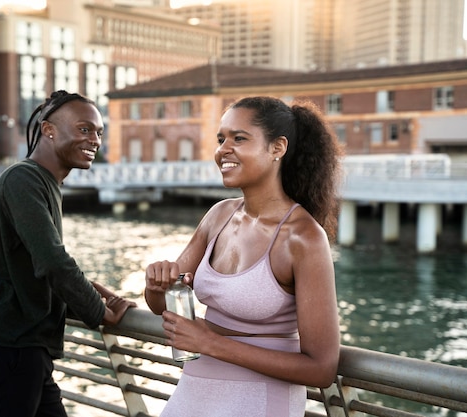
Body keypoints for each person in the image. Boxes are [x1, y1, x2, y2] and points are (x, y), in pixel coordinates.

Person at [144, 96, 343, 417]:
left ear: (277, 148)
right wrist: (156, 285)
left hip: (259, 402)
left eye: (239, 138)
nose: (223, 149)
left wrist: (211, 344)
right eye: (221, 139)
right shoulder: (217, 215)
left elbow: (321, 369)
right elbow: (162, 307)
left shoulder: (303, 238)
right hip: (193, 391)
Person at [0, 90, 136, 417]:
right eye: (84, 129)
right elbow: (52, 261)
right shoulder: (22, 178)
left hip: (24, 349)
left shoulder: (45, 182)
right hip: (5, 349)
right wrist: (100, 312)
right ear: (48, 129)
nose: (95, 139)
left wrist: (93, 292)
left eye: (99, 132)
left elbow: (32, 266)